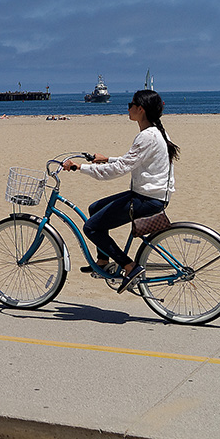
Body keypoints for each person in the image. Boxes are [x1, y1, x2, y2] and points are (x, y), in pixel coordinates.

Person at [64, 89, 179, 293]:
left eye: (130, 105)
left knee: (91, 228)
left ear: (140, 109)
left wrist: (80, 167)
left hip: (147, 199)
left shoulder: (146, 137)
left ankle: (130, 267)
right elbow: (131, 161)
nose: (128, 108)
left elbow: (118, 170)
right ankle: (102, 263)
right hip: (152, 195)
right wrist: (107, 158)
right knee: (95, 207)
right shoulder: (157, 132)